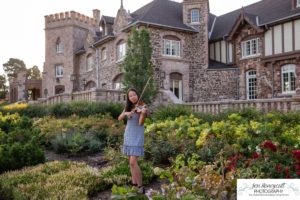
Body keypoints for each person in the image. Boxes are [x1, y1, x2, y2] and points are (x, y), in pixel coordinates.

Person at [118, 88, 148, 194]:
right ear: (128, 98)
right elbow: (119, 118)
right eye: (130, 96)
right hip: (128, 134)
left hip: (137, 135)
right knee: (130, 163)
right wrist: (127, 113)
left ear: (137, 95)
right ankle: (134, 184)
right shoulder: (128, 107)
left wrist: (143, 113)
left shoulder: (142, 106)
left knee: (133, 162)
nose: (133, 97)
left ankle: (141, 186)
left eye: (134, 94)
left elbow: (140, 123)